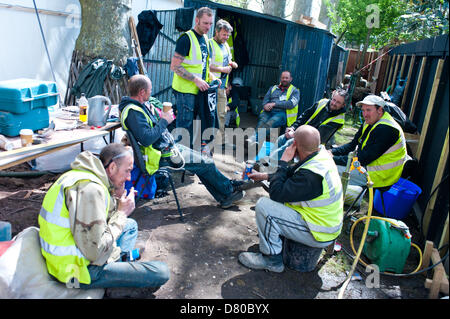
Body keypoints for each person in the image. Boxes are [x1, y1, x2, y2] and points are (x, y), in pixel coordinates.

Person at [38, 143, 170, 292]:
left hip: (75, 253)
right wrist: (121, 213)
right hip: (76, 271)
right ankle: (116, 281)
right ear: (112, 167)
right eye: (127, 171)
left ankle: (120, 265)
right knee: (161, 272)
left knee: (130, 225)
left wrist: (116, 198)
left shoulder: (83, 175)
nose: (128, 178)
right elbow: (95, 251)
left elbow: (96, 220)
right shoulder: (91, 190)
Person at [119, 74, 246, 209]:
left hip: (166, 148)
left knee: (202, 162)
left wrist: (158, 116)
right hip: (161, 156)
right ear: (142, 92)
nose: (151, 92)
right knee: (205, 163)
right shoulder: (133, 112)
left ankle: (225, 194)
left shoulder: (138, 106)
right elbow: (146, 139)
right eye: (150, 90)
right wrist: (164, 121)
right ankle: (228, 190)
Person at [238, 125, 343, 272]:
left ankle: (271, 259)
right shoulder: (320, 156)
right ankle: (276, 241)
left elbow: (277, 193)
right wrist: (266, 176)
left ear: (295, 145)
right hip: (323, 224)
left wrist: (283, 161)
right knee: (277, 196)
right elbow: (294, 174)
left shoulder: (311, 175)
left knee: (264, 206)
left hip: (318, 232)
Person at [330, 94, 408, 189]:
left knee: (328, 168)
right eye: (363, 110)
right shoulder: (371, 121)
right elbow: (352, 145)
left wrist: (332, 159)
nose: (365, 114)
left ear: (380, 110)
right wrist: (331, 152)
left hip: (379, 176)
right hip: (369, 167)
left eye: (368, 110)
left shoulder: (386, 129)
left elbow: (362, 159)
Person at [261, 88, 347, 168]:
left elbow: (319, 137)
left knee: (291, 143)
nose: (334, 103)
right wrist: (293, 128)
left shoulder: (339, 120)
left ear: (343, 105)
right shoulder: (323, 102)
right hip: (301, 133)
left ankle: (270, 164)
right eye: (334, 100)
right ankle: (271, 162)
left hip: (315, 144)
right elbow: (305, 115)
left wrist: (296, 135)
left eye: (338, 102)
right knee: (281, 138)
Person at [170, 7, 217, 148]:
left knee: (196, 127)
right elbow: (175, 66)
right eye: (205, 23)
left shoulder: (206, 40)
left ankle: (189, 157)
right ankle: (179, 162)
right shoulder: (186, 39)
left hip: (199, 91)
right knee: (184, 127)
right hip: (185, 92)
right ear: (197, 20)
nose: (208, 27)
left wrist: (212, 77)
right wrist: (196, 80)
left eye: (210, 23)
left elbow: (204, 66)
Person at [247, 71, 300, 144]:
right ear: (280, 78)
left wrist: (274, 104)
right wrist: (265, 105)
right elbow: (266, 99)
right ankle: (256, 141)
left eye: (286, 78)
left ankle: (254, 139)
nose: (284, 79)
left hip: (282, 113)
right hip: (269, 111)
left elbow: (290, 104)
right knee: (262, 121)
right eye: (283, 77)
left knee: (271, 122)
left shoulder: (295, 91)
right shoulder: (273, 88)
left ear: (290, 79)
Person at [209, 19, 238, 145]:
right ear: (216, 32)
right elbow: (204, 65)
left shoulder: (226, 45)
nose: (226, 37)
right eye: (224, 34)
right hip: (210, 85)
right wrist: (222, 69)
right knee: (209, 114)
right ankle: (207, 140)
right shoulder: (209, 44)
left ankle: (219, 140)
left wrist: (232, 64)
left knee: (221, 114)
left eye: (228, 35)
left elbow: (228, 60)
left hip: (222, 86)